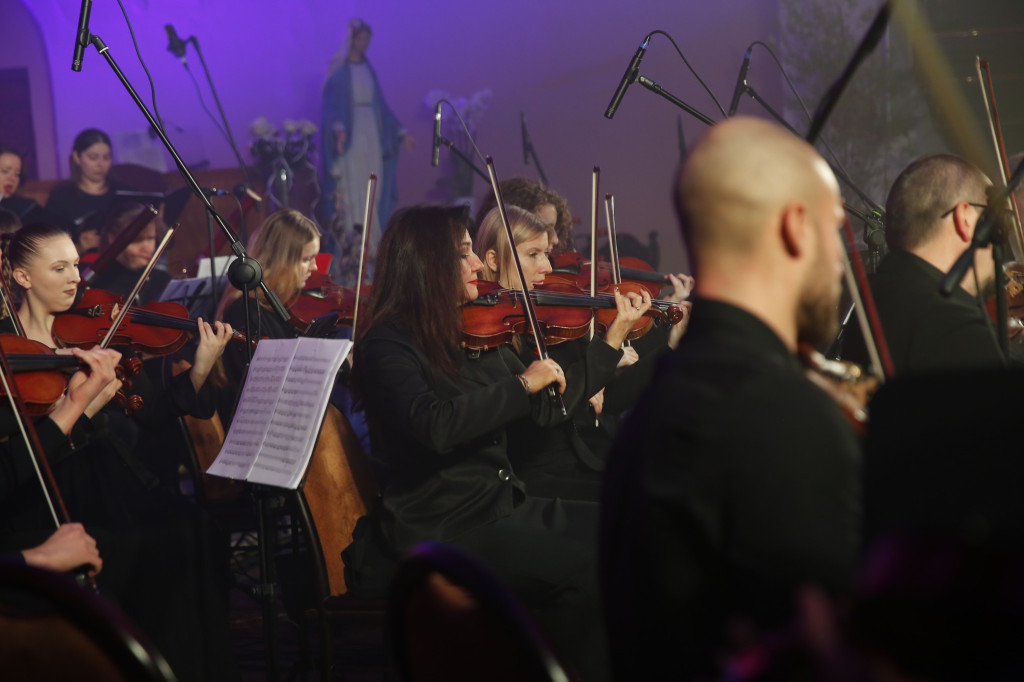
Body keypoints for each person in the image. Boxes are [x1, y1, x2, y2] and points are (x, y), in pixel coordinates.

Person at [600, 117, 862, 682]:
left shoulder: (653, 408)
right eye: (836, 230)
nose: (841, 260)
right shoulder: (785, 416)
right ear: (796, 226)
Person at [349, 204, 610, 681]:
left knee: (621, 530)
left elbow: (542, 407)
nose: (476, 264)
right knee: (590, 566)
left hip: (499, 501)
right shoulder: (387, 344)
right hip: (447, 522)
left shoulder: (465, 328)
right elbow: (434, 426)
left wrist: (594, 356)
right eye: (464, 253)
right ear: (428, 263)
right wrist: (522, 384)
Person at [2, 222, 238, 680]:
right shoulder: (6, 350)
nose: (76, 277)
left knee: (197, 531)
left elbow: (152, 413)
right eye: (59, 268)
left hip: (111, 480)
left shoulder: (91, 334)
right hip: (49, 490)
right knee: (151, 547)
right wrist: (82, 408)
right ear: (23, 277)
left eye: (75, 265)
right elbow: (20, 451)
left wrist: (200, 369)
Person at [474, 204, 654, 500]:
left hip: (575, 461)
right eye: (534, 254)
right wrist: (611, 342)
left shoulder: (545, 322)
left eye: (546, 254)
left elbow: (598, 394)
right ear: (493, 259)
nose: (547, 266)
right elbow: (550, 411)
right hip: (532, 480)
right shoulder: (485, 336)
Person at [842, 154, 1018, 372]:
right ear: (965, 218)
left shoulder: (873, 297)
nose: (1001, 234)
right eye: (996, 218)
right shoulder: (955, 329)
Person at [320, 18, 414, 277]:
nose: (364, 44)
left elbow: (381, 106)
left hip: (370, 135)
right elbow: (331, 107)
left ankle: (372, 249)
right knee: (353, 190)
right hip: (350, 139)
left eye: (367, 40)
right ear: (352, 40)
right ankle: (352, 252)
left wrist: (401, 131)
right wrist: (338, 127)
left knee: (374, 187)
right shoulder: (340, 73)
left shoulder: (368, 70)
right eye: (361, 39)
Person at [45, 129, 129, 251]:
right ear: (77, 157)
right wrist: (79, 247)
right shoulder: (60, 197)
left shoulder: (124, 193)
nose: (100, 164)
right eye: (93, 157)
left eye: (106, 157)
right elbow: (49, 245)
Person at [86, 202, 171, 305]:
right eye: (138, 240)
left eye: (150, 238)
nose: (147, 248)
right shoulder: (97, 281)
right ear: (113, 239)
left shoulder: (163, 281)